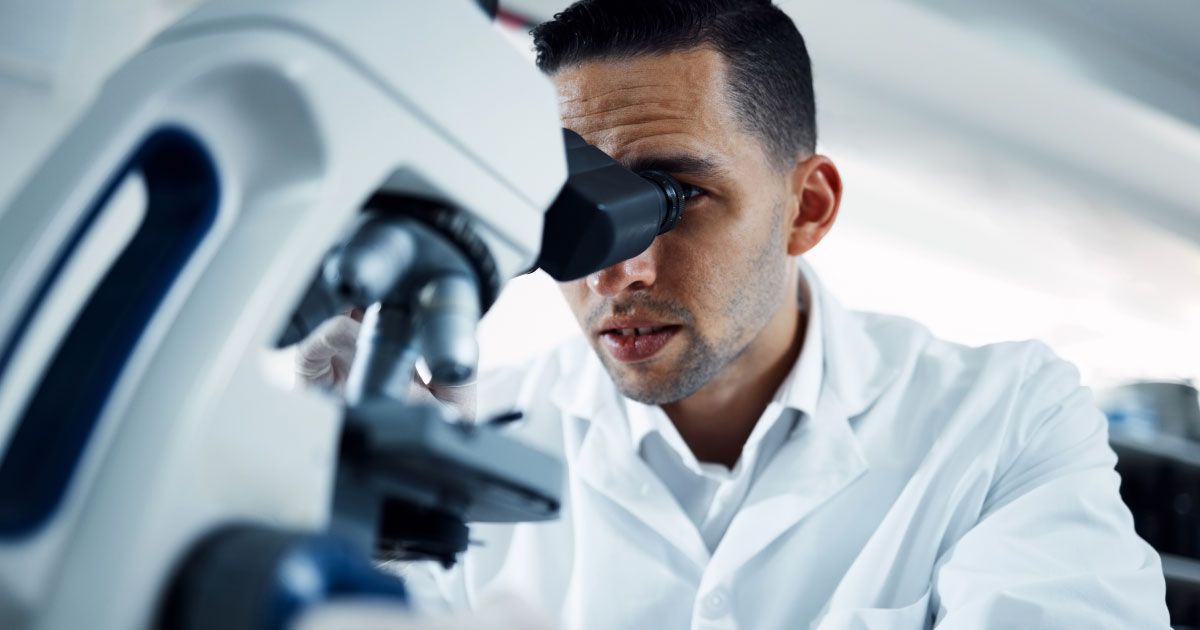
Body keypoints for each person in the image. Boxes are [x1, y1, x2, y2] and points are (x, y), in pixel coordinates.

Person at [296, 1, 1168, 627]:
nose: (616, 269)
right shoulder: (467, 443)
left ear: (808, 207)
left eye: (672, 198)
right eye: (574, 208)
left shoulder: (1004, 418)